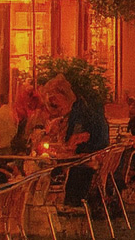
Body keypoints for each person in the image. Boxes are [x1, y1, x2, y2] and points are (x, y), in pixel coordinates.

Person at [45, 74, 109, 208]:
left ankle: (52, 204)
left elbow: (77, 140)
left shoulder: (80, 111)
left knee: (49, 169)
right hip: (98, 159)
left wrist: (59, 147)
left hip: (86, 164)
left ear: (65, 95)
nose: (53, 104)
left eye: (54, 99)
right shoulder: (87, 107)